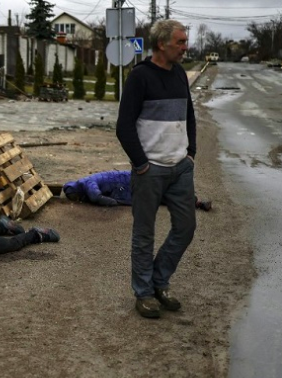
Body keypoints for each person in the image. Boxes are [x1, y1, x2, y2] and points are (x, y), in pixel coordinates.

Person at [115, 19, 197, 319]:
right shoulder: (140, 77)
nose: (185, 47)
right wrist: (141, 164)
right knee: (144, 234)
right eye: (180, 42)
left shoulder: (179, 75)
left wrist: (191, 154)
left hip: (180, 168)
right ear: (162, 44)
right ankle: (145, 293)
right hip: (150, 170)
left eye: (185, 41)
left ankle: (160, 281)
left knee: (186, 227)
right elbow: (124, 127)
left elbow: (189, 115)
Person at [63, 170, 212, 211]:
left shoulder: (86, 182)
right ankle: (196, 202)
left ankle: (197, 202)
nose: (77, 200)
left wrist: (109, 201)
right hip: (125, 186)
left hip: (125, 184)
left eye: (74, 197)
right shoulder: (86, 184)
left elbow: (96, 195)